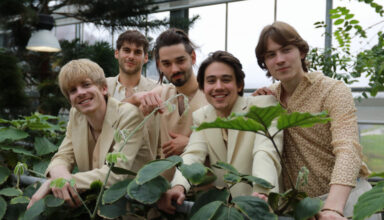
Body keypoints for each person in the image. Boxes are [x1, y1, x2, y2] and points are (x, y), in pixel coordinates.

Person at [253, 21, 375, 220]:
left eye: (286, 50)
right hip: (304, 209)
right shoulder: (269, 98)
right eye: (271, 55)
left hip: (348, 201)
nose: (280, 59)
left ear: (301, 52)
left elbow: (348, 148)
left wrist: (333, 208)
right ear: (265, 62)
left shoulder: (333, 90)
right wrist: (260, 103)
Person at [157, 51, 283, 214]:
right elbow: (193, 154)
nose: (218, 87)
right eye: (211, 81)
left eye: (226, 79)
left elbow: (265, 152)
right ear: (203, 87)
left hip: (261, 208)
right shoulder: (203, 116)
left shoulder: (263, 107)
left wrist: (261, 191)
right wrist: (178, 186)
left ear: (239, 85)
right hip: (224, 212)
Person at [27, 59, 151, 209]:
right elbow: (63, 156)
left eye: (86, 85)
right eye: (72, 90)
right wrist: (59, 176)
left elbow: (115, 175)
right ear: (70, 100)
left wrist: (58, 182)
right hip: (95, 206)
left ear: (104, 88)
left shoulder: (129, 115)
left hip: (135, 209)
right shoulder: (76, 115)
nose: (80, 93)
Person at [128, 28, 208, 161]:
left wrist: (192, 144)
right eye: (167, 63)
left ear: (193, 57)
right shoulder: (163, 93)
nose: (174, 69)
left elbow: (229, 146)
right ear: (159, 65)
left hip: (205, 180)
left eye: (180, 61)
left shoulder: (211, 96)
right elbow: (116, 110)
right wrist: (137, 97)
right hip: (165, 180)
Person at [107, 30, 159, 159]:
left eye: (137, 52)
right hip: (105, 165)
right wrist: (133, 99)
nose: (131, 56)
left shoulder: (157, 89)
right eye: (126, 50)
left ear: (145, 58)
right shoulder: (102, 87)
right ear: (117, 53)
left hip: (144, 168)